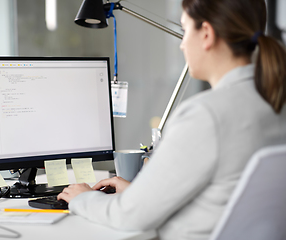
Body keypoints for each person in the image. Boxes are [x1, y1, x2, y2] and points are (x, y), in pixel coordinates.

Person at [58, 0, 286, 239]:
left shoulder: (206, 115)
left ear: (206, 34)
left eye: (185, 30)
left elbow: (129, 216)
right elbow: (224, 193)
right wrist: (139, 193)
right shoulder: (273, 102)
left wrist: (83, 198)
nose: (182, 45)